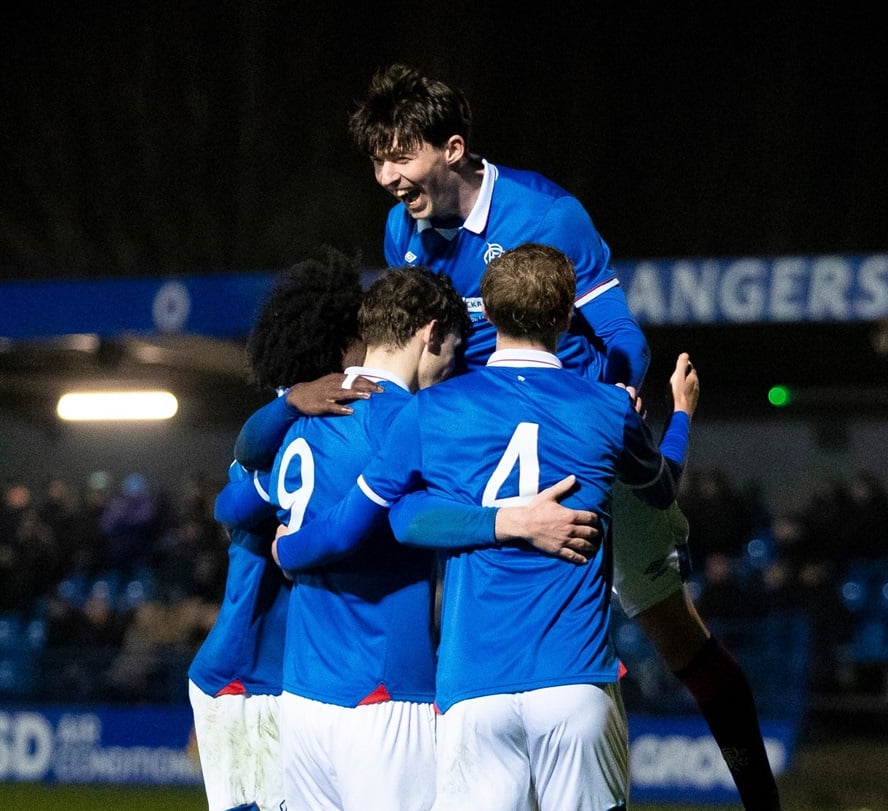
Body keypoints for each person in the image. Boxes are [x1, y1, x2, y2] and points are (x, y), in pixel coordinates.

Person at [348, 63, 780, 809]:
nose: (388, 176)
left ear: (452, 147)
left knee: (677, 636)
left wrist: (616, 388)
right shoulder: (402, 232)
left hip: (580, 448)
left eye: (401, 156)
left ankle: (760, 795)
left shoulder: (547, 214)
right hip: (482, 450)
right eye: (378, 160)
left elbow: (620, 333)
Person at [274, 243, 698, 808]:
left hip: (473, 686)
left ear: (489, 317)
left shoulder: (435, 408)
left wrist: (500, 522)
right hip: (573, 677)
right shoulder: (608, 407)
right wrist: (682, 414)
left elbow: (403, 517)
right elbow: (662, 488)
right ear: (569, 316)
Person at [268, 264, 471, 811]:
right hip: (384, 690)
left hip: (304, 691)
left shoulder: (304, 416)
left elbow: (240, 488)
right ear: (431, 333)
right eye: (452, 348)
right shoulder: (407, 419)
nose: (451, 368)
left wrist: (285, 545)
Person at [187, 247, 370, 811]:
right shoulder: (282, 429)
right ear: (340, 343)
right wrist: (291, 403)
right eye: (365, 334)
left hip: (308, 679)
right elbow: (227, 507)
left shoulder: (347, 422)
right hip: (250, 676)